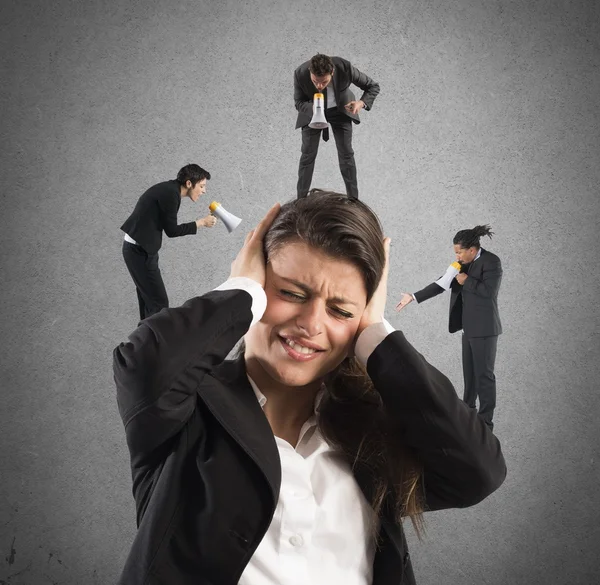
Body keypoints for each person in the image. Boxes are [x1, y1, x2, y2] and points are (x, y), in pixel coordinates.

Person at [113, 193, 506, 585]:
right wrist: (241, 290)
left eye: (341, 311)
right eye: (291, 293)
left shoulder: (373, 436)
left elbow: (479, 472)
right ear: (258, 283)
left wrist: (376, 336)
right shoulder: (184, 412)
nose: (312, 324)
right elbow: (143, 366)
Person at [395, 225, 503, 430]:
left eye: (459, 252)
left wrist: (466, 280)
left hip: (485, 330)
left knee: (484, 376)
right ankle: (468, 413)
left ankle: (486, 422)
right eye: (456, 252)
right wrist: (413, 297)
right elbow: (442, 284)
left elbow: (489, 292)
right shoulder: (460, 264)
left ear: (472, 250)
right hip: (467, 329)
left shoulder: (492, 262)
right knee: (469, 375)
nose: (457, 256)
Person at [120, 164, 217, 321]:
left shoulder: (170, 190)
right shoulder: (171, 194)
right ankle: (150, 343)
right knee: (158, 304)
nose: (204, 191)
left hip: (142, 250)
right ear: (188, 183)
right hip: (139, 252)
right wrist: (201, 222)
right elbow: (172, 231)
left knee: (150, 304)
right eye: (201, 186)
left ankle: (145, 343)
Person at [294, 54, 380, 199]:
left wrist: (360, 103)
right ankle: (300, 201)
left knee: (346, 154)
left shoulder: (344, 67)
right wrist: (315, 108)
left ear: (332, 72)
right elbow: (298, 102)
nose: (319, 86)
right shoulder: (300, 73)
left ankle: (354, 201)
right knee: (307, 155)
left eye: (324, 82)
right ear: (310, 72)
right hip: (313, 111)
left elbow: (373, 86)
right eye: (315, 81)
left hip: (341, 110)